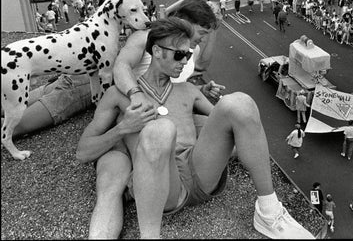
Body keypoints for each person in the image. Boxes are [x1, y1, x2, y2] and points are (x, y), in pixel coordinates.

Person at [76, 18, 314, 239]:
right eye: (179, 55)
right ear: (157, 52)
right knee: (160, 130)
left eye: (188, 55)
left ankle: (268, 212)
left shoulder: (188, 90)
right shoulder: (118, 96)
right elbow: (83, 152)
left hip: (198, 174)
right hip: (163, 187)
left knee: (239, 103)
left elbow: (235, 128)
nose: (186, 62)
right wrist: (123, 129)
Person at [86, 0, 226, 238]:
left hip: (168, 108)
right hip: (134, 108)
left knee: (218, 127)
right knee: (110, 184)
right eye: (201, 32)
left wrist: (199, 92)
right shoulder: (147, 39)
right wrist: (136, 96)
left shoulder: (186, 49)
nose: (199, 41)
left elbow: (193, 72)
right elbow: (120, 67)